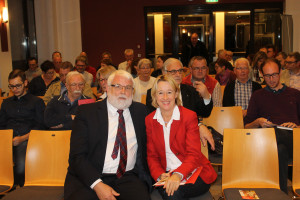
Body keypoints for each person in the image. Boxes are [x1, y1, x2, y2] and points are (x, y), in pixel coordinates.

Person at [64, 70, 151, 200]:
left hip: (126, 177)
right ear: (107, 88)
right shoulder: (86, 113)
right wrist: (97, 185)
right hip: (90, 176)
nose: (123, 92)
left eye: (128, 88)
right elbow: (77, 157)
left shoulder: (141, 111)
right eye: (118, 86)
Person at [146, 75, 217, 199]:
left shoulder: (189, 116)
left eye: (169, 92)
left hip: (195, 170)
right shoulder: (150, 120)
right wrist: (159, 175)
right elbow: (152, 156)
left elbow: (193, 154)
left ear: (176, 94)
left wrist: (178, 174)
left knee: (173, 193)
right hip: (166, 173)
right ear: (155, 96)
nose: (165, 97)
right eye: (160, 93)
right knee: (171, 191)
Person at [244, 58, 300, 193]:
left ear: (280, 72)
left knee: (280, 136)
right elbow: (246, 127)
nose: (271, 79)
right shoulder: (258, 96)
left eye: (274, 74)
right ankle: (281, 193)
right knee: (279, 149)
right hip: (269, 142)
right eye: (267, 76)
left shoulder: (295, 94)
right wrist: (258, 122)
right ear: (262, 75)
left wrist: (296, 126)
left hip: (295, 139)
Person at [146, 58, 215, 150]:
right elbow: (156, 120)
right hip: (165, 140)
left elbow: (205, 113)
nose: (178, 75)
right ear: (164, 72)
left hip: (189, 140)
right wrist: (199, 125)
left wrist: (206, 97)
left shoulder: (190, 91)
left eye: (180, 71)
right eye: (174, 71)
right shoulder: (154, 92)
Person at [0, 69, 45, 186]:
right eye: (11, 86)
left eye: (18, 86)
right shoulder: (6, 103)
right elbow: (1, 125)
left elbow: (40, 127)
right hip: (8, 140)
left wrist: (22, 138)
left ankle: (18, 189)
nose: (14, 89)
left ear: (25, 83)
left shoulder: (36, 102)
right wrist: (6, 139)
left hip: (28, 140)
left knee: (20, 167)